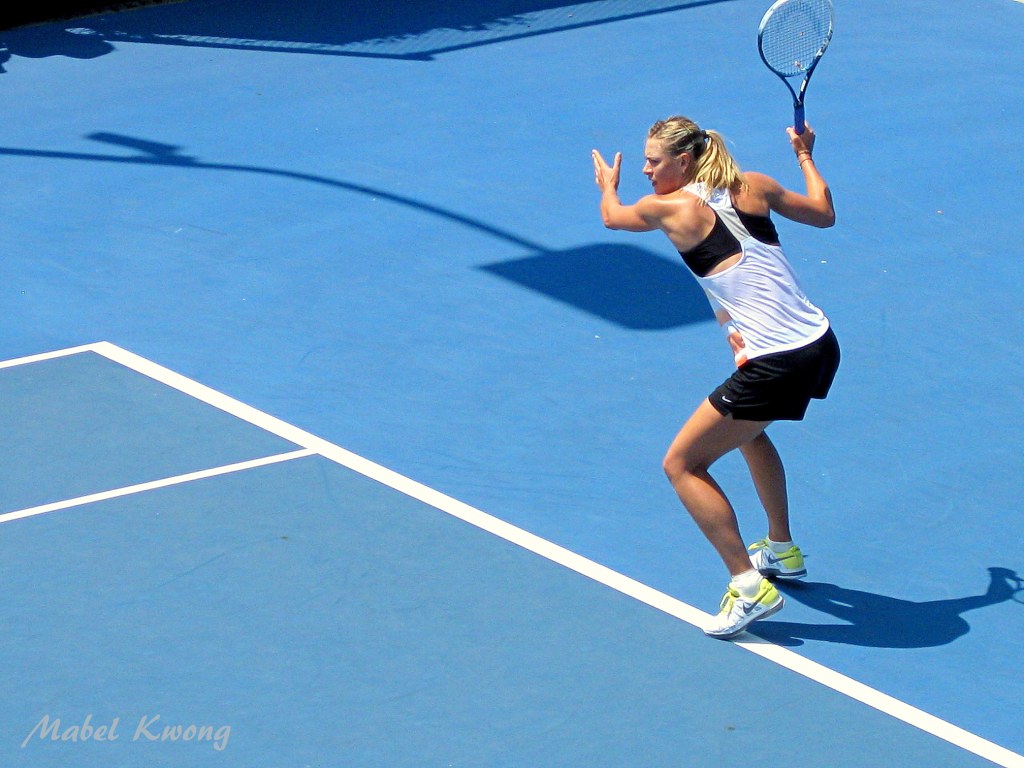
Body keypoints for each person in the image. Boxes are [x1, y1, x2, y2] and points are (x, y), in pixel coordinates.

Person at [592, 117, 840, 639]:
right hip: (817, 343)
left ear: (684, 162)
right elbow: (824, 213)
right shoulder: (753, 184)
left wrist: (608, 188)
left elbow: (613, 219)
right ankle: (781, 549)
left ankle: (748, 586)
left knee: (682, 464)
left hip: (776, 359)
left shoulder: (670, 208)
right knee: (750, 432)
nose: (645, 170)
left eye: (653, 161)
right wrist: (804, 154)